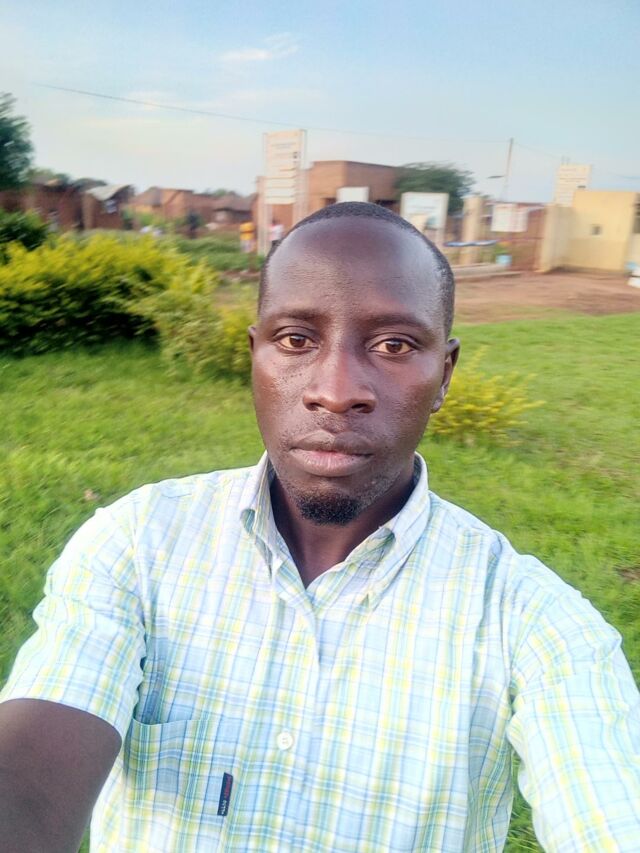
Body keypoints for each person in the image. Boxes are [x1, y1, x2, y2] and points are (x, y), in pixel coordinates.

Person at [0, 202, 638, 852]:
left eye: (394, 345)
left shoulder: (532, 622)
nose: (335, 391)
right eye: (296, 340)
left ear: (444, 375)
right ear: (255, 356)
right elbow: (27, 772)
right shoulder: (137, 544)